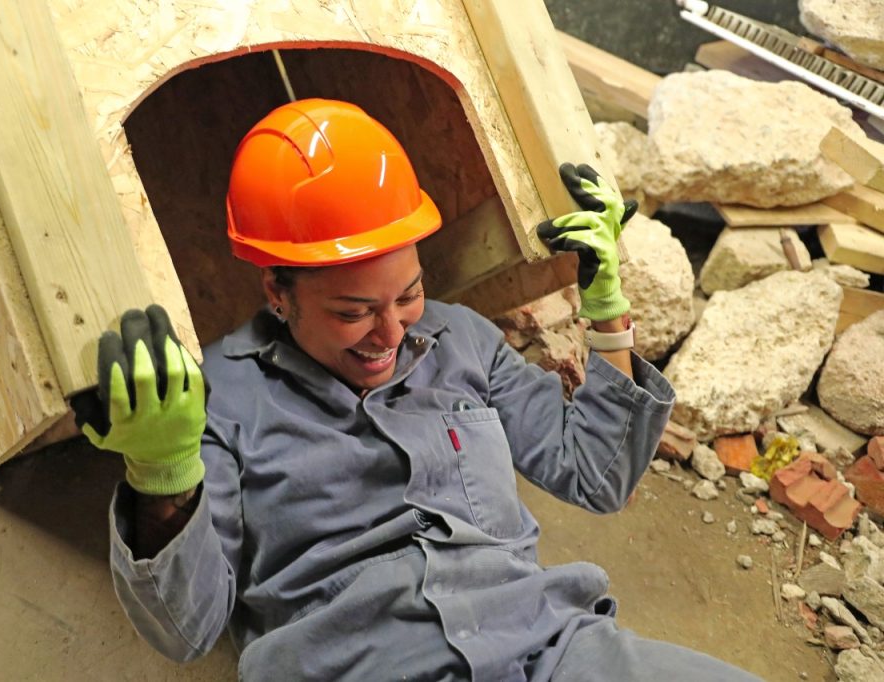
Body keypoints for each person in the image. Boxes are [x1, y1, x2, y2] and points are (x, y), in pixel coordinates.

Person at [72, 99, 759, 680]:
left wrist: (608, 314)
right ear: (277, 290)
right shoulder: (217, 395)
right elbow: (185, 630)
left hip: (550, 647)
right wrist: (163, 482)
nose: (390, 333)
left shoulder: (461, 338)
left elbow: (593, 476)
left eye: (408, 294)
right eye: (352, 311)